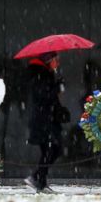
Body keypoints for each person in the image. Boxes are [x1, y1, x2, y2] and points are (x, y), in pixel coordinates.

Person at [25, 52, 68, 192]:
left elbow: (50, 97)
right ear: (49, 60)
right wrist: (57, 87)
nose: (58, 63)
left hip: (47, 119)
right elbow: (43, 95)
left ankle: (40, 181)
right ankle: (37, 178)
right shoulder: (40, 74)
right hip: (44, 120)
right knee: (52, 149)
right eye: (57, 60)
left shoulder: (45, 74)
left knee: (50, 150)